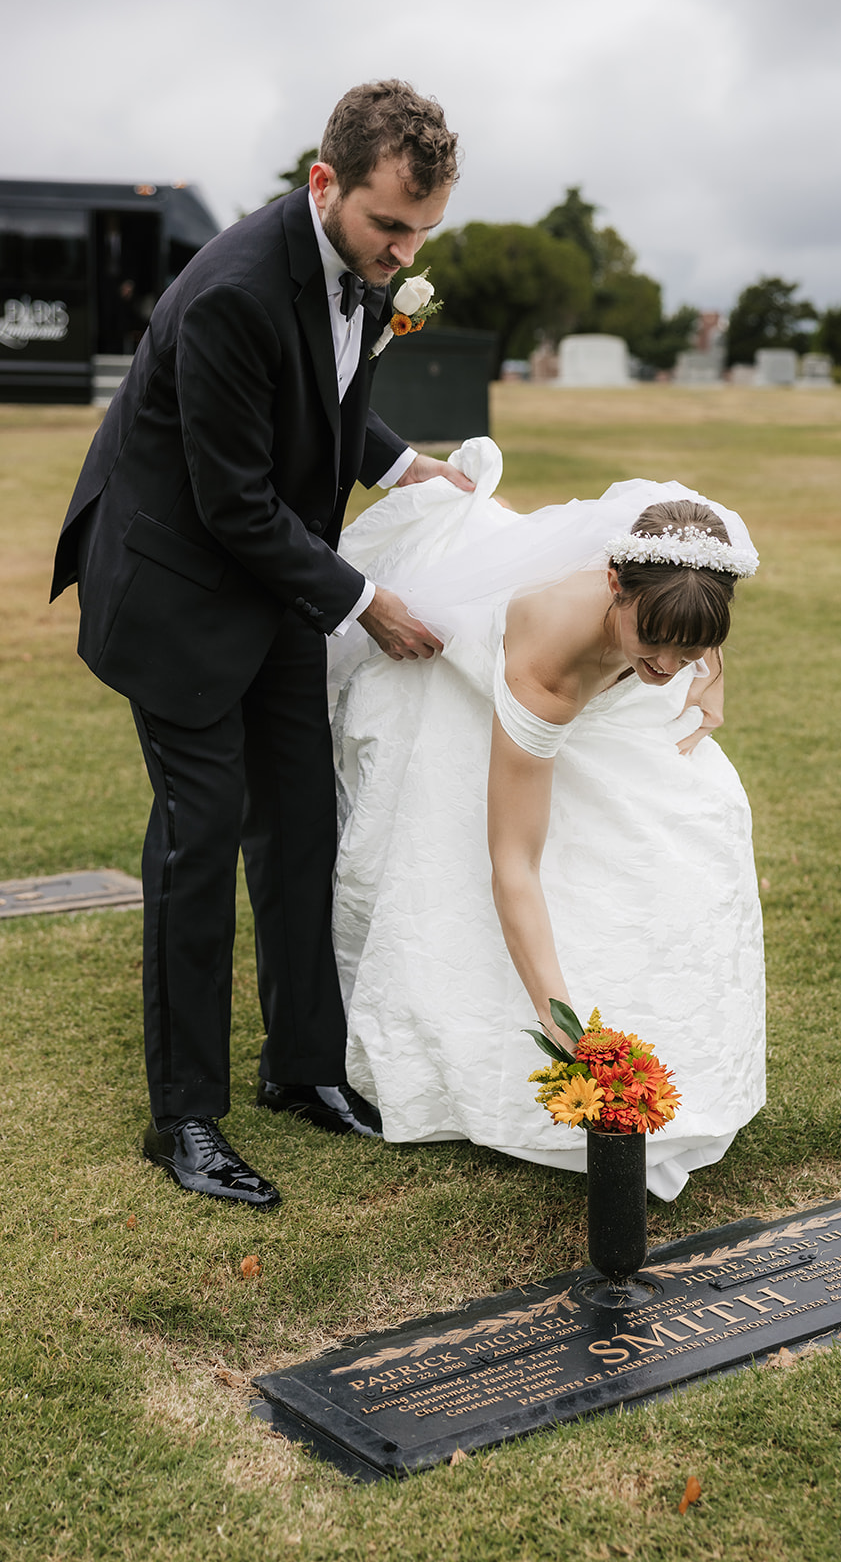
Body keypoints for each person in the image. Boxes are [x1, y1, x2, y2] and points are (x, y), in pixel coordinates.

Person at [50, 80, 474, 1210]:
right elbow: (233, 501)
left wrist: (398, 464)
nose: (400, 253)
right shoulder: (234, 289)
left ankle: (303, 1071)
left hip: (274, 579)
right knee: (201, 840)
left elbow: (327, 385)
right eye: (388, 226)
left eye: (421, 234)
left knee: (301, 821)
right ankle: (184, 1118)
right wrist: (365, 600)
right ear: (323, 183)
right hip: (179, 586)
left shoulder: (361, 269)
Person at [329, 439, 765, 1203]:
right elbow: (513, 859)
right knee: (536, 858)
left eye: (688, 647)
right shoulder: (548, 666)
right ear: (611, 585)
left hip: (613, 665)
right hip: (471, 671)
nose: (667, 666)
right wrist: (554, 1012)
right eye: (651, 644)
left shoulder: (686, 565)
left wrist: (712, 677)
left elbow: (690, 628)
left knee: (701, 829)